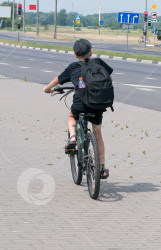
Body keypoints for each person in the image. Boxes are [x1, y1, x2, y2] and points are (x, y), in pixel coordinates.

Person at [43, 39, 113, 179]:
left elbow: (58, 79)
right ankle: (102, 168)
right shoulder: (99, 63)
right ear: (91, 52)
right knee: (97, 134)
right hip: (98, 104)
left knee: (71, 116)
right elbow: (110, 79)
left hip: (80, 104)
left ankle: (73, 137)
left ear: (75, 55)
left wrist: (47, 88)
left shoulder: (73, 67)